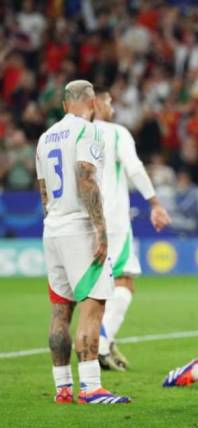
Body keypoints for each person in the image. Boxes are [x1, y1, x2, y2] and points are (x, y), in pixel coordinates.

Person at [35, 79, 130, 404]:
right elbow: (86, 175)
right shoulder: (87, 131)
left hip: (53, 229)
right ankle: (91, 387)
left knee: (60, 312)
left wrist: (56, 218)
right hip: (79, 229)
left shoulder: (45, 138)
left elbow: (44, 191)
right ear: (92, 102)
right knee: (93, 306)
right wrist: (100, 230)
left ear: (64, 104)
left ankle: (62, 388)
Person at [92, 86, 172, 371]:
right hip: (111, 219)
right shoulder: (115, 132)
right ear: (96, 104)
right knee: (124, 280)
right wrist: (155, 203)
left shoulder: (64, 134)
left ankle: (98, 341)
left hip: (77, 221)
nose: (112, 108)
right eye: (109, 102)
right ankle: (101, 344)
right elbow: (134, 168)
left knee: (90, 289)